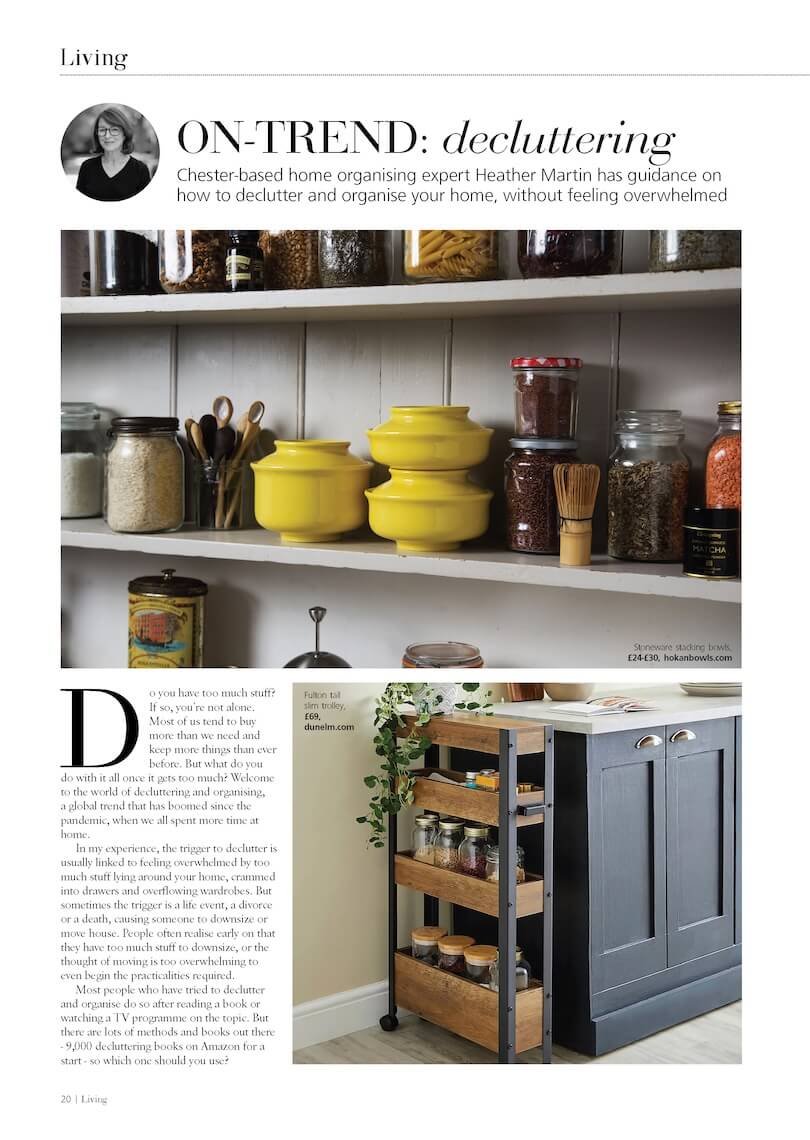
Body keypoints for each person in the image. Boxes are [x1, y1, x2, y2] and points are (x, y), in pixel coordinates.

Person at [75, 107, 151, 201]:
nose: (107, 136)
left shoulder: (140, 170)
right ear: (97, 134)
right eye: (102, 130)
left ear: (124, 134)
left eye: (114, 130)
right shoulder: (87, 167)